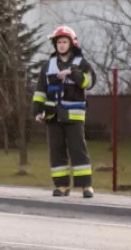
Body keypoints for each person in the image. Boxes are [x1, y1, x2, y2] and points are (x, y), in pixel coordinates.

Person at [33, 26, 95, 198]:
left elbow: (88, 83)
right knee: (56, 151)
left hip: (74, 117)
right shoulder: (48, 66)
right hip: (52, 116)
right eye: (58, 42)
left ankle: (86, 186)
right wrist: (38, 111)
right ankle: (61, 186)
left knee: (78, 151)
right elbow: (40, 91)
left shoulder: (82, 64)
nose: (61, 45)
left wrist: (72, 73)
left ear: (72, 43)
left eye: (64, 42)